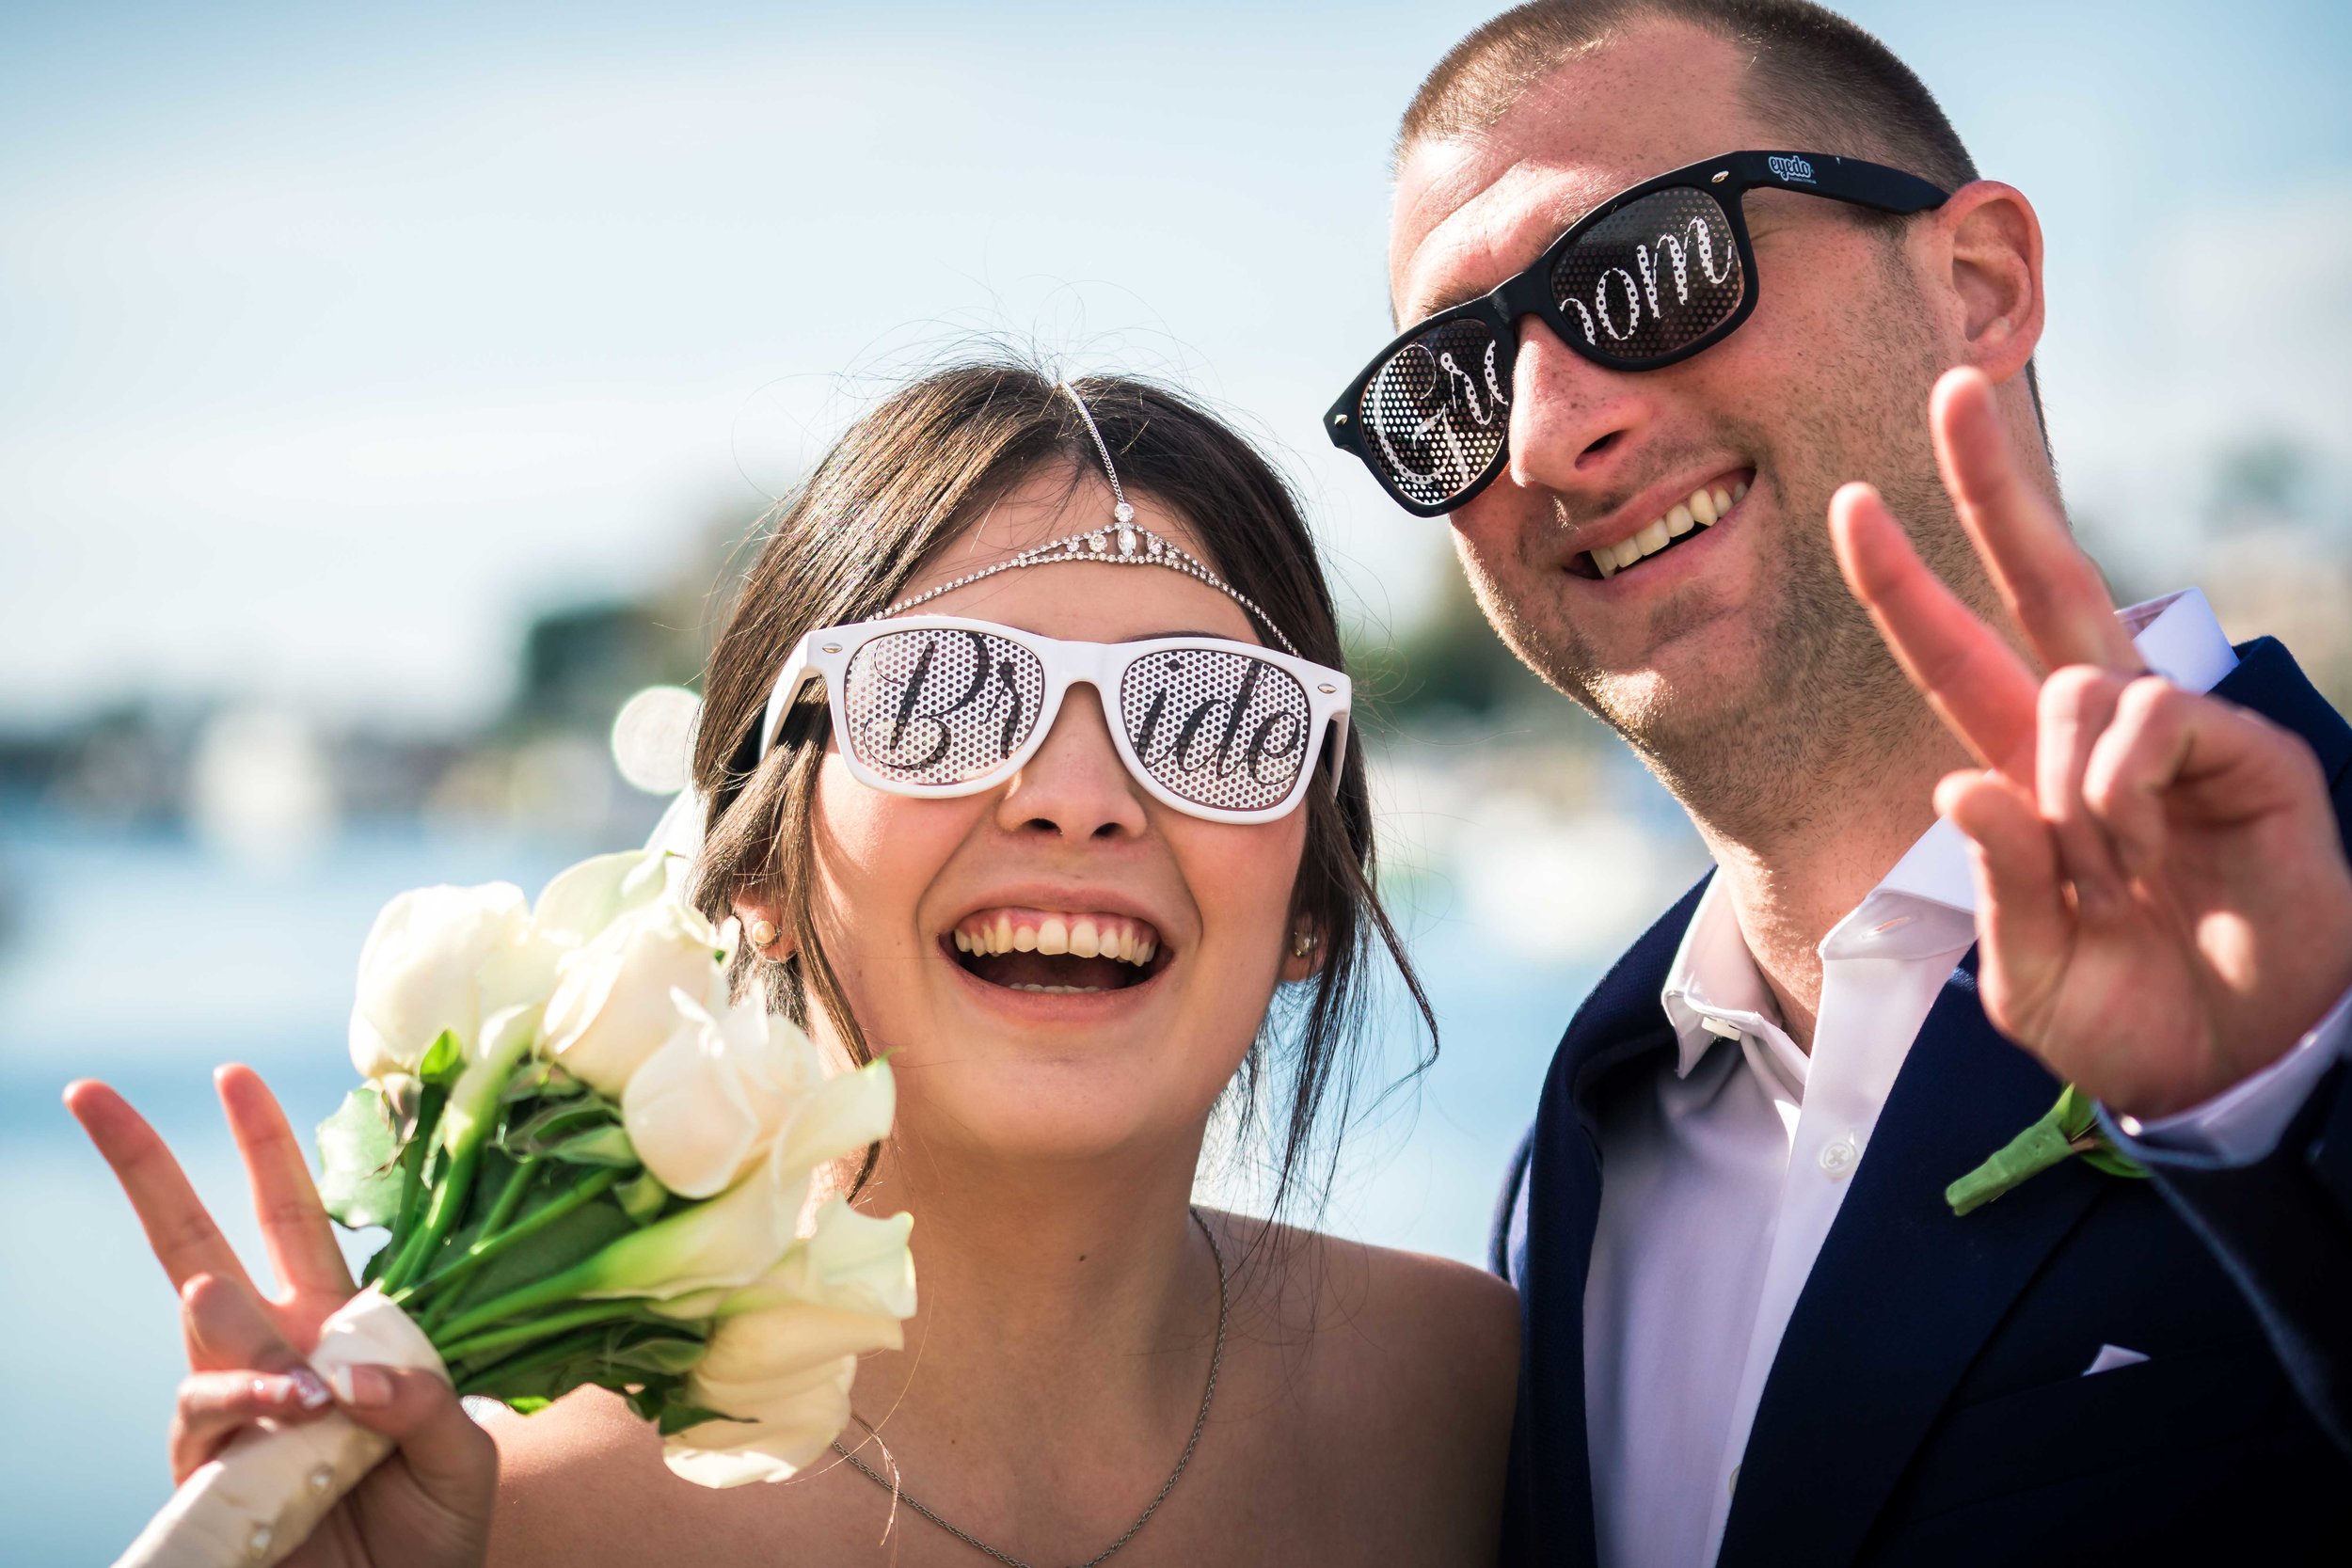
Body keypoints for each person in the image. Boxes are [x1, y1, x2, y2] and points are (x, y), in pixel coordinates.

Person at [68, 365, 1521, 1567]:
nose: (1078, 797)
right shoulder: (478, 1515)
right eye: (944, 696)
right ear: (752, 870)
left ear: (1312, 908)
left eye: (1212, 719)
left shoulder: (1471, 1392)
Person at [1327, 1, 2352, 1562]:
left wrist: (2284, 1107)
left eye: (1642, 274)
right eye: (1450, 387)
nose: (1543, 437)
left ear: (1981, 286)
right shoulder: (1579, 1157)